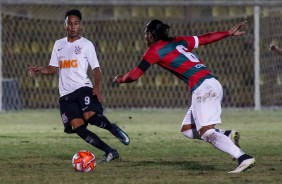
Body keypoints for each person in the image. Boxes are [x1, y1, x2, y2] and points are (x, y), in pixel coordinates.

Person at [113, 19, 255, 173]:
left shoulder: (154, 50)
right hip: (211, 83)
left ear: (151, 35)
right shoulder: (178, 41)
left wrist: (121, 79)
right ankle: (227, 135)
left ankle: (243, 158)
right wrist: (227, 33)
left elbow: (134, 75)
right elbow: (204, 39)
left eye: (147, 34)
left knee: (206, 132)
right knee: (187, 129)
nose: (146, 38)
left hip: (203, 87)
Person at [28, 9, 130, 162]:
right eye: (70, 23)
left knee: (91, 116)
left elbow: (96, 68)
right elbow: (52, 69)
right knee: (77, 127)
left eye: (76, 23)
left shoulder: (86, 45)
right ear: (65, 25)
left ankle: (112, 128)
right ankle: (110, 151)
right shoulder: (58, 44)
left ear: (80, 25)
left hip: (83, 88)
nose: (73, 26)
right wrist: (40, 69)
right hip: (65, 95)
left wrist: (96, 86)